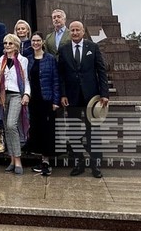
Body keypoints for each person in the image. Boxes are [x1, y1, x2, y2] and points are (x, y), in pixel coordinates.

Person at [57, 21, 109, 178]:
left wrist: (104, 94)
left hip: (91, 97)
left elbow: (101, 70)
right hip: (72, 97)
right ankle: (78, 163)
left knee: (92, 131)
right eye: (72, 30)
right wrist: (63, 94)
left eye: (77, 30)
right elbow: (61, 75)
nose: (74, 32)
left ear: (83, 32)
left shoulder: (92, 47)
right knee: (74, 131)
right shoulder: (64, 49)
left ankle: (95, 165)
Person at [27, 32, 61, 176]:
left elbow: (55, 80)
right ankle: (41, 159)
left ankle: (46, 162)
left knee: (47, 130)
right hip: (33, 100)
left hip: (46, 99)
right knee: (37, 130)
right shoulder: (27, 59)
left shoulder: (50, 59)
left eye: (38, 40)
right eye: (33, 40)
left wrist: (55, 100)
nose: (35, 43)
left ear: (43, 42)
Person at [0, 34, 30, 175]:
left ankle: (18, 159)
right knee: (6, 126)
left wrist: (27, 94)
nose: (7, 46)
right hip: (4, 95)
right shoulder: (1, 60)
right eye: (5, 43)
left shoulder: (23, 60)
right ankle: (11, 159)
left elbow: (26, 79)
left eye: (10, 43)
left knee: (11, 124)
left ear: (16, 45)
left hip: (17, 94)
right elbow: (0, 78)